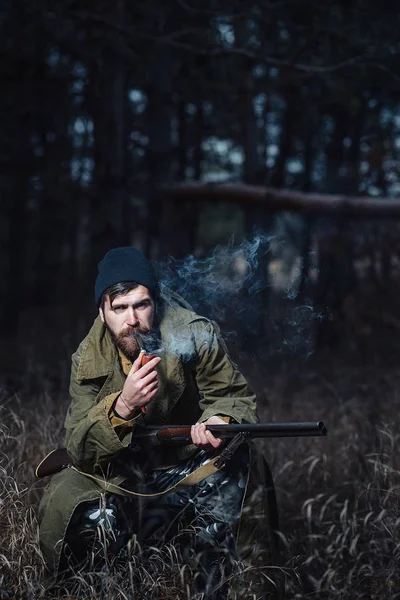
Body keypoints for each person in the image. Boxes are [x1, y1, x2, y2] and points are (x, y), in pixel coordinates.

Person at [38, 247, 278, 598]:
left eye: (141, 304)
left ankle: (219, 588)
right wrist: (122, 407)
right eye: (119, 308)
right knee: (75, 508)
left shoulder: (195, 334)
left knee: (240, 464)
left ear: (155, 301)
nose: (131, 319)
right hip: (118, 475)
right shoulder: (87, 357)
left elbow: (233, 396)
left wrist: (219, 419)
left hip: (184, 467)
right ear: (103, 313)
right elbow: (80, 446)